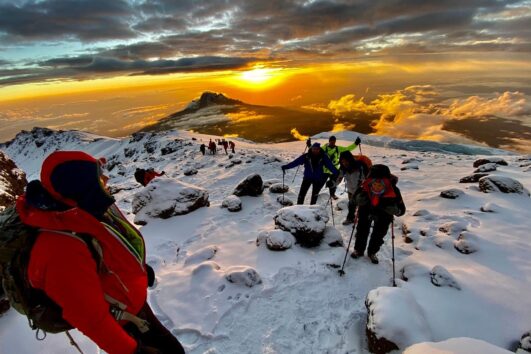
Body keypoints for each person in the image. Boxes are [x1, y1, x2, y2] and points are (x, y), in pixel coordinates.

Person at [15, 151, 185, 354]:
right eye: (98, 177)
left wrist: (137, 270)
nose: (106, 180)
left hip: (131, 306)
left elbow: (106, 250)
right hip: (122, 324)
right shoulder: (59, 249)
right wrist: (132, 351)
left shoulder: (82, 211)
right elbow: (91, 319)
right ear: (80, 185)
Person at [352, 164, 406, 264]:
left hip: (384, 215)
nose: (377, 184)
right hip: (366, 211)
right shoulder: (364, 186)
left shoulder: (394, 190)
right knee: (362, 231)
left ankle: (372, 252)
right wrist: (357, 199)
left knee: (378, 234)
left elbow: (402, 210)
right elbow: (353, 199)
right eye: (374, 180)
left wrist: (396, 210)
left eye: (381, 181)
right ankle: (359, 250)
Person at [328, 151, 368, 225]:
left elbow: (366, 179)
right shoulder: (343, 169)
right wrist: (332, 184)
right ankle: (350, 218)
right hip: (350, 190)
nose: (344, 163)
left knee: (362, 206)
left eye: (346, 161)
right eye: (342, 161)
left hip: (361, 190)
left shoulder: (360, 167)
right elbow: (339, 179)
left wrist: (363, 188)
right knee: (351, 205)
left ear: (350, 159)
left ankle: (362, 220)